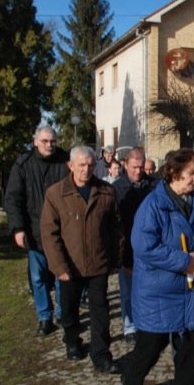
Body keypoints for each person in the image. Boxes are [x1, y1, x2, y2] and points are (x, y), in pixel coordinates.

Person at [122, 149, 194, 385]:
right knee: (150, 347)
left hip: (189, 291)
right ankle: (131, 383)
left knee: (190, 348)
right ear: (174, 174)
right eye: (192, 174)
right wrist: (183, 261)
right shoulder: (153, 206)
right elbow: (144, 246)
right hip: (159, 292)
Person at [40, 146, 123, 370]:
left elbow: (116, 229)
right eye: (81, 165)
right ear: (71, 166)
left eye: (90, 165)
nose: (86, 170)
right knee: (69, 310)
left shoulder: (106, 191)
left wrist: (115, 259)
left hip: (98, 263)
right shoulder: (56, 194)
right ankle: (72, 340)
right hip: (70, 265)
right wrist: (59, 267)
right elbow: (49, 234)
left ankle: (101, 354)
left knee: (100, 311)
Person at [5, 126, 69, 336]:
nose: (49, 145)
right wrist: (18, 228)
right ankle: (44, 317)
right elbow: (13, 198)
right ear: (35, 142)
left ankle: (63, 312)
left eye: (52, 141)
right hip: (34, 230)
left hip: (61, 231)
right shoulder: (23, 165)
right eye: (45, 141)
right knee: (38, 278)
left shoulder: (65, 161)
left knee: (62, 274)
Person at [113, 148, 156, 343]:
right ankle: (129, 324)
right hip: (127, 246)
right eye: (134, 167)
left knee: (147, 288)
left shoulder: (152, 187)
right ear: (125, 165)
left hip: (149, 245)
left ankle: (146, 322)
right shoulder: (116, 188)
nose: (138, 171)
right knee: (128, 289)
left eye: (141, 167)